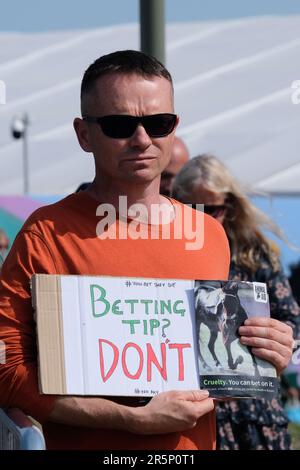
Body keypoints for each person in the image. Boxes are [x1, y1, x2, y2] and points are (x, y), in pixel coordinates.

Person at [0, 51, 293, 451]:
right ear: (84, 134)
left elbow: (213, 368)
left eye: (158, 123)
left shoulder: (209, 234)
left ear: (174, 129)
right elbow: (7, 371)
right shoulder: (46, 234)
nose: (142, 139)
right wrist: (133, 421)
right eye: (119, 124)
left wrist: (261, 355)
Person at [172, 154, 300, 450]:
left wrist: (273, 341)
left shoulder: (253, 252)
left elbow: (293, 324)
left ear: (229, 207)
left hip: (252, 409)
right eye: (193, 208)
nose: (202, 217)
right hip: (194, 411)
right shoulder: (165, 251)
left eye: (211, 209)